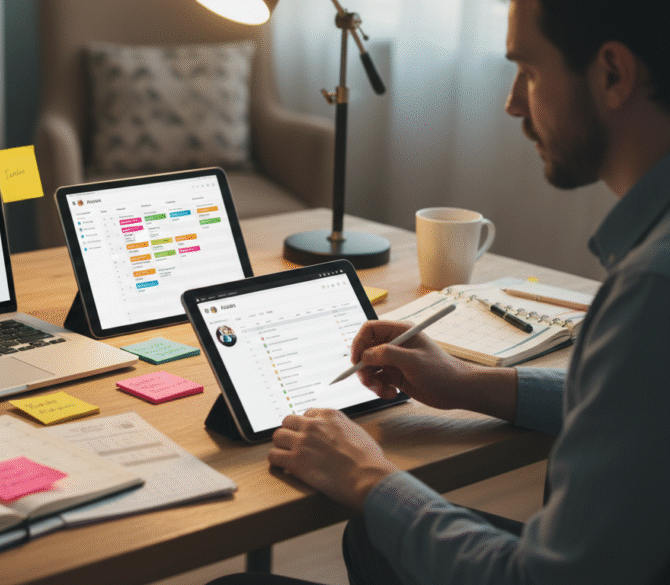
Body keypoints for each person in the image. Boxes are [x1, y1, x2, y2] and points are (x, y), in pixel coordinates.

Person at [209, 0, 670, 582]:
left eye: (527, 71)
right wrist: (469, 384)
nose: (511, 103)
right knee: (376, 537)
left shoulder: (653, 289)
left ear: (612, 74)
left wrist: (369, 477)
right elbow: (636, 406)